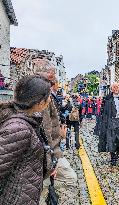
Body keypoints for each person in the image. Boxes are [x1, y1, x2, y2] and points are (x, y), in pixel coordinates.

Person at [0, 75, 52, 205]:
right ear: (40, 102)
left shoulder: (27, 120)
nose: (50, 99)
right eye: (49, 96)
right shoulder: (19, 129)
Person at [37, 66, 78, 205]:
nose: (54, 81)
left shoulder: (49, 98)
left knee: (70, 179)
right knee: (45, 189)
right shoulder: (38, 100)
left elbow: (52, 124)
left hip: (53, 151)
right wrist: (50, 163)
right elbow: (43, 132)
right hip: (46, 154)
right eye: (51, 78)